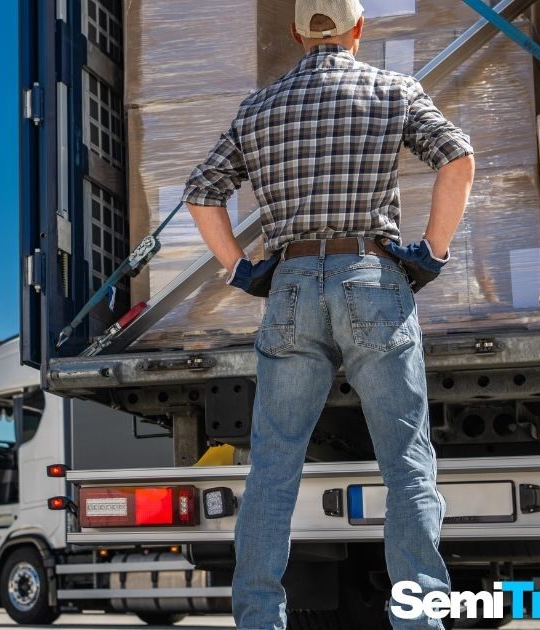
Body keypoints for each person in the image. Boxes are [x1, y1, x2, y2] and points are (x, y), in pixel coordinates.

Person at [180, 1, 476, 628]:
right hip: (371, 277)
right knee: (406, 462)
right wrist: (434, 254)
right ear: (358, 30)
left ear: (295, 33)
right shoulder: (392, 91)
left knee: (274, 466)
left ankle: (259, 618)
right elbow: (458, 159)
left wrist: (241, 267)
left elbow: (202, 194)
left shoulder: (258, 109)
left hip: (288, 286)